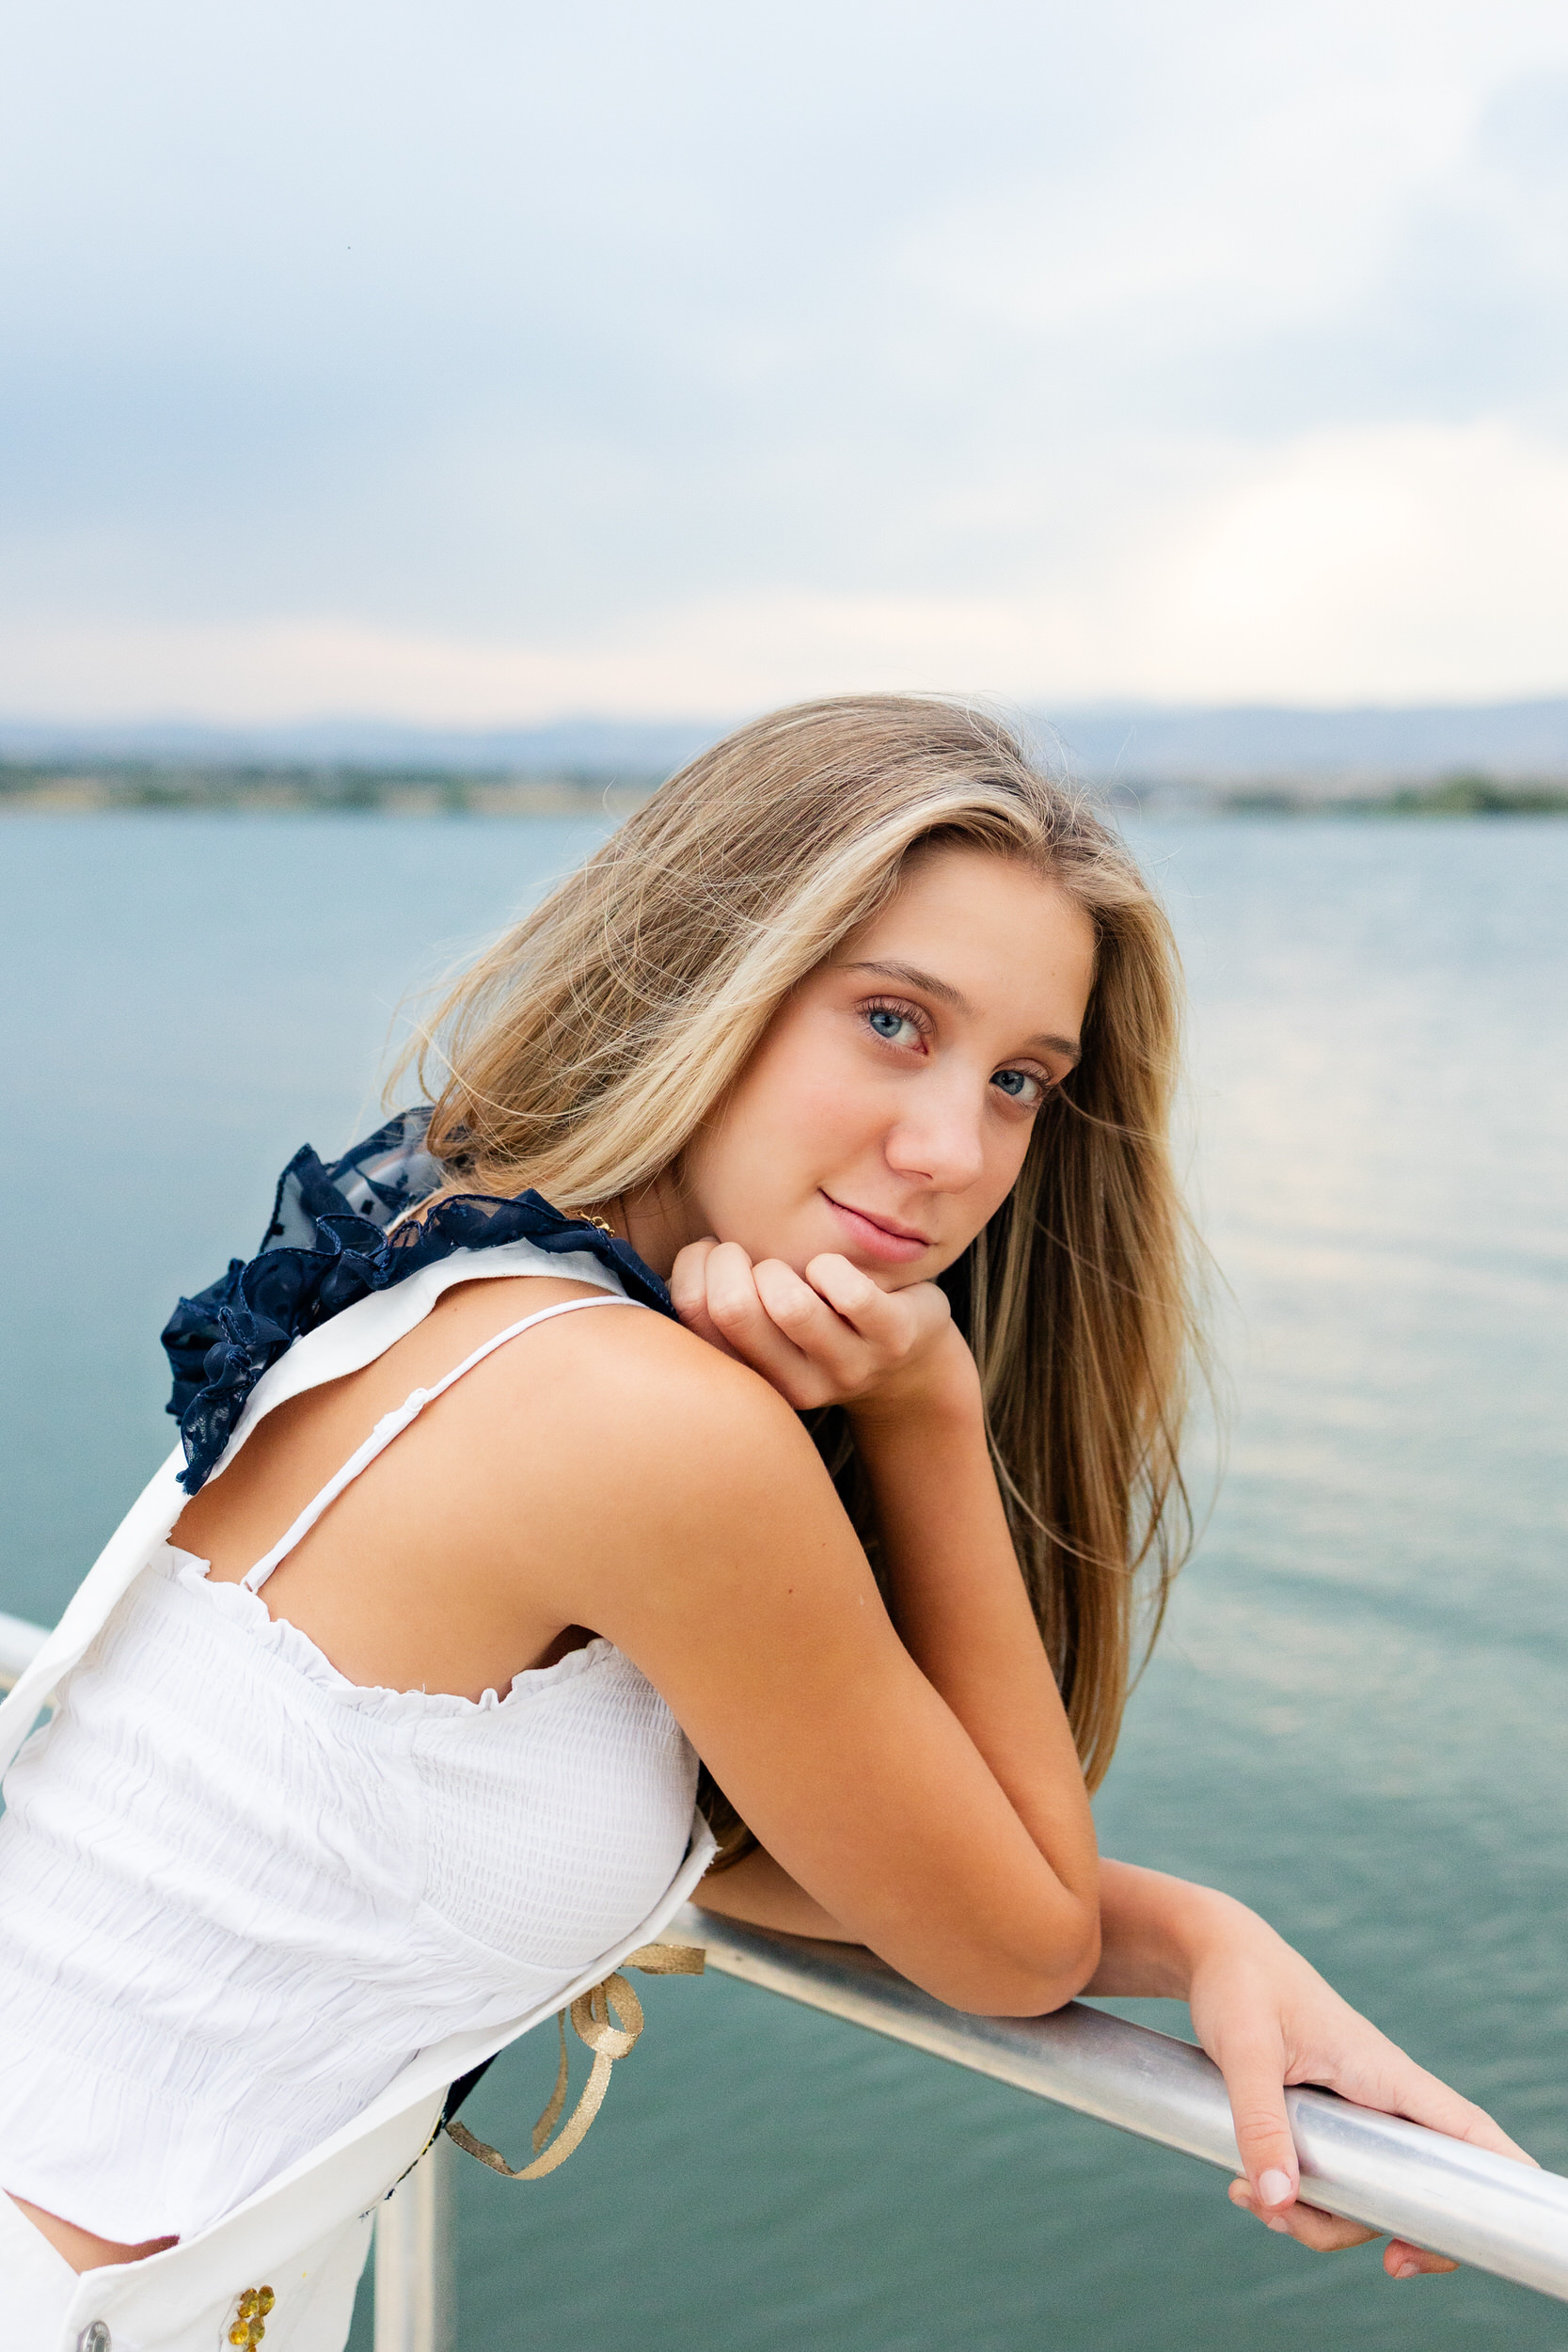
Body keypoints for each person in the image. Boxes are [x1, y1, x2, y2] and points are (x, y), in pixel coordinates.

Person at [0, 696, 1526, 2349]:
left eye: (1021, 1079)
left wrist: (1200, 1933)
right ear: (705, 978)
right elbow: (1014, 1946)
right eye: (890, 1020)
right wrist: (929, 1415)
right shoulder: (655, 1423)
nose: (953, 1150)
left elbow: (712, 1844)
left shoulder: (450, 1272)